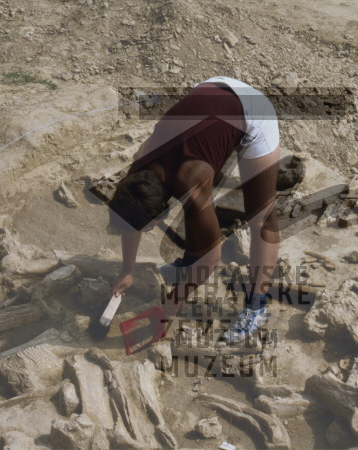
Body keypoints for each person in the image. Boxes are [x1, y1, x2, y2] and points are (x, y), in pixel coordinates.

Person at [107, 76, 280, 344]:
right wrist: (127, 270)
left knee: (261, 218)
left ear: (159, 217)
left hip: (252, 110)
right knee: (197, 214)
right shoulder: (140, 167)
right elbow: (130, 219)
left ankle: (257, 305)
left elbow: (212, 258)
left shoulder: (191, 180)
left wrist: (169, 308)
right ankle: (187, 262)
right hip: (210, 94)